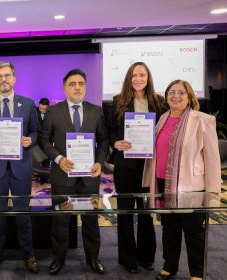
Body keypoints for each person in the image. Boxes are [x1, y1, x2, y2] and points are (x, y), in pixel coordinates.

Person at [142, 80, 222, 280]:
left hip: (191, 187)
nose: (175, 96)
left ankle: (196, 273)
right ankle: (170, 267)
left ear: (189, 97)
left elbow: (212, 159)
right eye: (171, 92)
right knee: (170, 230)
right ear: (166, 96)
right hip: (163, 184)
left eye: (181, 92)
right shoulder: (162, 118)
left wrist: (213, 193)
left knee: (193, 232)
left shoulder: (202, 120)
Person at [39, 68, 109, 275]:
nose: (77, 87)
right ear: (64, 88)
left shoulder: (96, 111)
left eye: (81, 84)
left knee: (90, 219)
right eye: (72, 84)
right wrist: (58, 159)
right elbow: (44, 140)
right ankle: (58, 259)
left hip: (90, 175)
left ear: (85, 87)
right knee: (60, 220)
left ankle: (93, 259)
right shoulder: (53, 111)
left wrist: (99, 161)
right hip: (62, 175)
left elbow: (104, 140)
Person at [0, 61, 40, 273]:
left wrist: (30, 140)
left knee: (23, 213)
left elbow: (36, 132)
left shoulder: (29, 104)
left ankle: (29, 254)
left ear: (14, 78)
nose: (4, 79)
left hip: (21, 167)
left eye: (7, 75)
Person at [108, 62, 165, 273]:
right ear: (128, 79)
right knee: (125, 212)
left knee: (146, 212)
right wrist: (116, 143)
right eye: (134, 75)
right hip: (125, 165)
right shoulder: (117, 102)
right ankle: (128, 259)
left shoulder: (159, 102)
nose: (138, 79)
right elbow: (110, 131)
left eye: (142, 75)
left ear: (148, 77)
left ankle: (146, 257)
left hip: (149, 165)